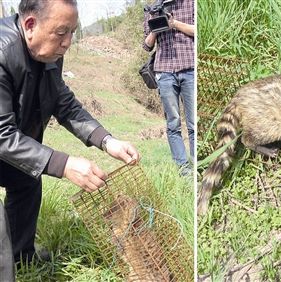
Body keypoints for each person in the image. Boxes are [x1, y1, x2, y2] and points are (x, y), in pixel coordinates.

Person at [0, 0, 140, 265]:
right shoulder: (2, 52)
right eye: (62, 32)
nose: (68, 42)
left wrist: (107, 141)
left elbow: (63, 102)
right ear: (30, 25)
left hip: (9, 145)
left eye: (73, 32)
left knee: (27, 178)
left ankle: (22, 257)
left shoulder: (49, 53)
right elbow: (1, 134)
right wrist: (63, 164)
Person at [143, 0, 194, 176]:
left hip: (189, 67)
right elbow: (146, 45)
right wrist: (155, 30)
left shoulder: (190, 3)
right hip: (164, 71)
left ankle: (197, 164)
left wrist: (174, 24)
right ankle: (184, 170)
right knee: (173, 123)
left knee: (193, 122)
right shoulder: (152, 8)